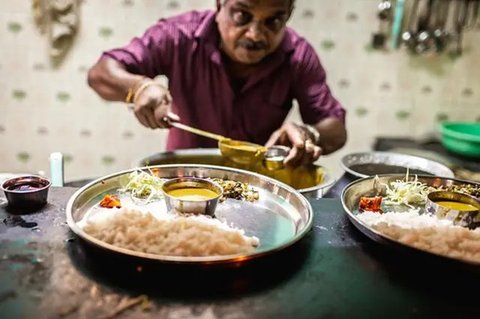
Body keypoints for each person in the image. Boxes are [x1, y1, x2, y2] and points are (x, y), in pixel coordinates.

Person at [87, 0, 347, 168]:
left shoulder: (299, 56)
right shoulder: (179, 36)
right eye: (242, 15)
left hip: (258, 185)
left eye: (273, 21)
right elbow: (101, 73)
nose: (255, 34)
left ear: (289, 14)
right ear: (220, 4)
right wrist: (139, 87)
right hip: (182, 178)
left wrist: (308, 134)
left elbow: (335, 128)